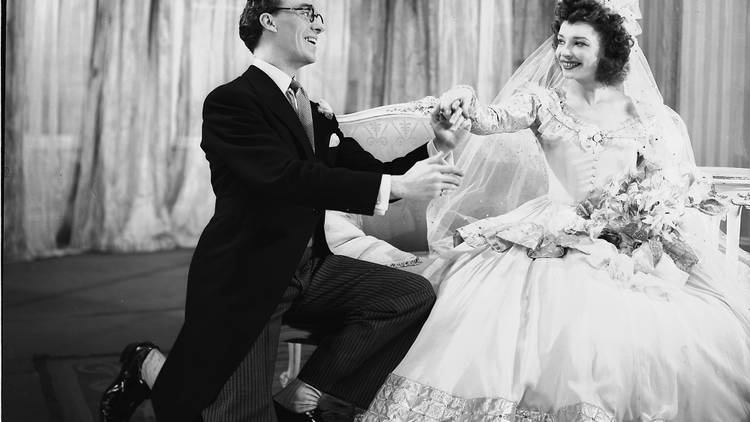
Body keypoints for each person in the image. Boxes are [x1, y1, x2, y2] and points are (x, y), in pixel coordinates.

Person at [360, 0, 750, 421]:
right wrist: (464, 99)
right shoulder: (544, 101)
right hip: (549, 232)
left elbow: (666, 182)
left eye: (579, 43)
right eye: (561, 41)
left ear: (611, 49)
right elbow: (490, 118)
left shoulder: (648, 117)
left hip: (621, 240)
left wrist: (641, 221)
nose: (564, 51)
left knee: (668, 331)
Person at [98, 1, 471, 421]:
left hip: (311, 269)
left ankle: (304, 392)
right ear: (269, 19)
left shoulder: (312, 112)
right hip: (250, 275)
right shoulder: (230, 102)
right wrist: (398, 186)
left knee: (412, 295)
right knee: (230, 412)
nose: (319, 24)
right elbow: (285, 177)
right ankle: (147, 365)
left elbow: (369, 172)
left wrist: (434, 145)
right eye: (308, 11)